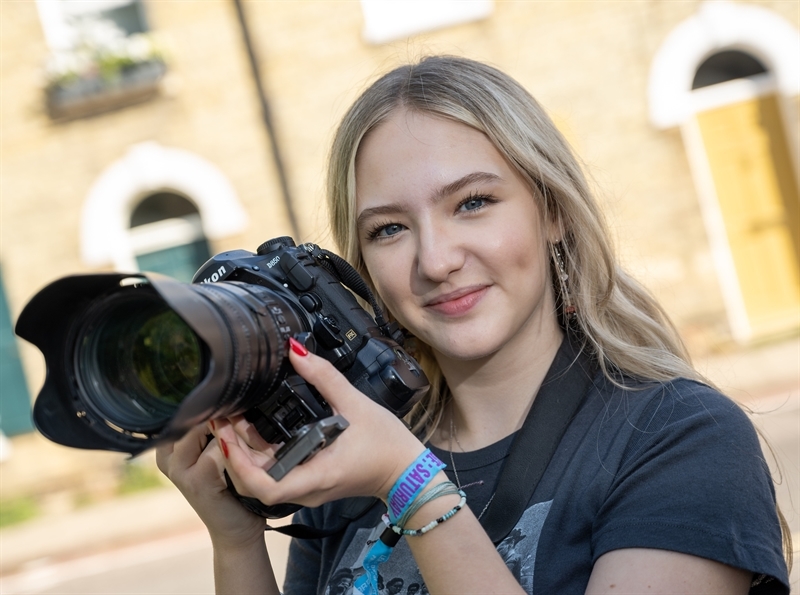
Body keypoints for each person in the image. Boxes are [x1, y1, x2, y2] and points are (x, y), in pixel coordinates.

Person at [157, 55, 791, 594]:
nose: (436, 260)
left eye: (473, 203)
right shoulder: (355, 450)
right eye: (389, 229)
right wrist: (235, 539)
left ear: (553, 212)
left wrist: (408, 485)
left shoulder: (679, 439)